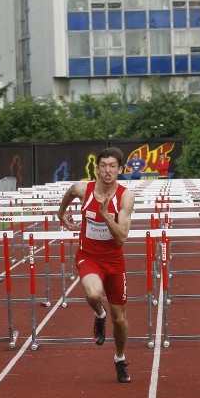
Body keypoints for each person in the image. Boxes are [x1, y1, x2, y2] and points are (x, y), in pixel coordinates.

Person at [57, 147, 136, 383]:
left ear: (120, 169)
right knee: (93, 293)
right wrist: (61, 213)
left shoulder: (125, 197)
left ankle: (120, 358)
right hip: (88, 256)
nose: (108, 170)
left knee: (120, 320)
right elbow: (70, 191)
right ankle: (99, 314)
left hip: (114, 261)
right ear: (97, 168)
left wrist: (107, 216)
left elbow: (122, 237)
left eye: (113, 166)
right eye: (103, 165)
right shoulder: (85, 189)